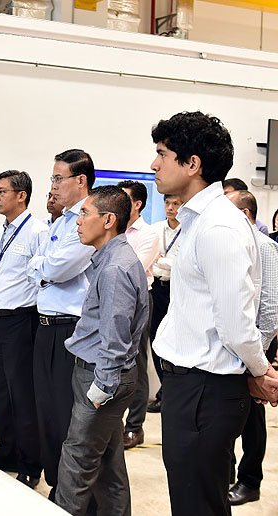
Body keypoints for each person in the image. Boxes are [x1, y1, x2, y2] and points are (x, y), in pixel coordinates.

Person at [150, 111, 278, 516]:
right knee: (194, 500)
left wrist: (259, 371)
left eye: (162, 154)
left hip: (204, 390)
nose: (154, 164)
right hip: (192, 386)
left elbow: (237, 325)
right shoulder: (199, 220)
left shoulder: (218, 227)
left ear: (192, 164)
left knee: (198, 504)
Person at [55, 185, 149, 516]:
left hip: (101, 376)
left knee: (76, 462)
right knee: (108, 466)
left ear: (108, 220)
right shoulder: (111, 259)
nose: (78, 221)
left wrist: (102, 388)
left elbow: (115, 337)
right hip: (102, 373)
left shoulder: (114, 269)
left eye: (84, 213)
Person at [27, 149, 95, 499]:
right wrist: (43, 265)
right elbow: (44, 265)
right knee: (47, 411)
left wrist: (42, 266)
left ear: (80, 180)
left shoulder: (88, 218)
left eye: (58, 178)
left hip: (70, 328)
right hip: (45, 325)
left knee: (65, 413)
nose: (53, 185)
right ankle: (56, 483)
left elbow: (56, 268)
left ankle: (70, 492)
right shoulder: (61, 221)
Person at [0, 170, 49, 488]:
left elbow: (45, 276)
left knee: (22, 396)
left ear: (21, 196)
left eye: (2, 192)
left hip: (22, 321)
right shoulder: (2, 231)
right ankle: (6, 453)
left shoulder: (38, 231)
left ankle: (29, 465)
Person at [225, 189, 278, 506]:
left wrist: (256, 357)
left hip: (257, 346)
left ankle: (250, 481)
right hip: (236, 345)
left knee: (252, 418)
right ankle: (227, 474)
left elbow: (270, 310)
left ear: (245, 214)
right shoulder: (233, 243)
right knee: (229, 413)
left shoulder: (264, 247)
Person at [117, 180, 159, 449]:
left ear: (137, 204)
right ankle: (112, 424)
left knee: (136, 362)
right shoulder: (113, 228)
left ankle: (134, 426)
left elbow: (133, 270)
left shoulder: (148, 234)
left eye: (123, 199)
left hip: (137, 301)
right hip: (110, 299)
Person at [146, 194, 182, 413]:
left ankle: (173, 393)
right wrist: (165, 263)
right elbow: (151, 262)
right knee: (155, 339)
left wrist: (162, 261)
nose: (170, 208)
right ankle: (163, 392)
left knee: (175, 341)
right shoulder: (155, 229)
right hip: (157, 289)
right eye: (167, 203)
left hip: (178, 290)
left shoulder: (188, 230)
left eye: (175, 204)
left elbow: (181, 264)